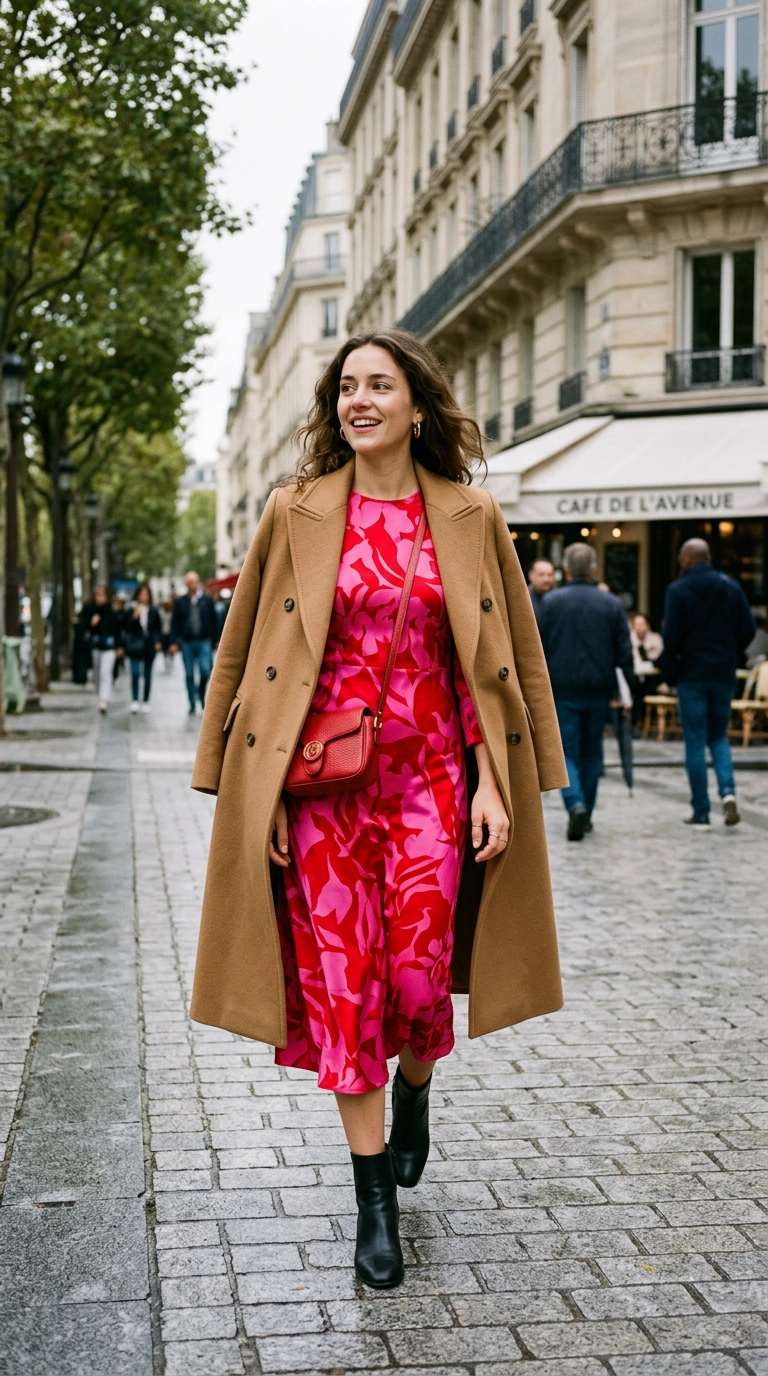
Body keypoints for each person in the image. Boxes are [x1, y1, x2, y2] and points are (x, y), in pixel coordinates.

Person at [188, 328, 567, 1290]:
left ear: (415, 403)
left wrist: (499, 779)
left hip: (434, 782)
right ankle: (373, 1204)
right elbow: (239, 654)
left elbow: (508, 656)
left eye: (379, 385)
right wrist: (247, 789)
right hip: (322, 792)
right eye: (347, 387)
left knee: (417, 978)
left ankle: (418, 1090)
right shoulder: (297, 509)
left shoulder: (472, 516)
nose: (361, 401)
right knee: (346, 989)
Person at [538, 542, 634, 840]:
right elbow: (624, 651)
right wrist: (626, 690)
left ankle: (575, 802)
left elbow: (537, 649)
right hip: (598, 688)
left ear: (565, 569)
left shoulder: (551, 603)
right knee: (593, 753)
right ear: (594, 569)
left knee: (566, 751)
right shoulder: (611, 604)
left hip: (562, 689)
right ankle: (586, 811)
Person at [662, 538, 756, 827]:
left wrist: (674, 665)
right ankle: (728, 793)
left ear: (688, 559)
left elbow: (671, 638)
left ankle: (701, 809)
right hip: (723, 673)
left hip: (692, 673)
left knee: (694, 740)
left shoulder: (677, 590)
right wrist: (730, 651)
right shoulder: (730, 586)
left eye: (681, 557)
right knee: (718, 736)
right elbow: (748, 628)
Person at [169, 571, 218, 714]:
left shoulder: (207, 601)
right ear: (186, 584)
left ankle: (201, 694)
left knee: (205, 671)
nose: (192, 585)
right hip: (187, 642)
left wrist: (216, 639)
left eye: (194, 582)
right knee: (189, 673)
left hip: (204, 641)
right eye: (190, 582)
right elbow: (175, 623)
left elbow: (214, 621)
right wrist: (173, 642)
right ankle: (192, 703)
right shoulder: (180, 602)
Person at [79, 584, 123, 713]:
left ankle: (104, 699)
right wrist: (91, 624)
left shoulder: (111, 611)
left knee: (106, 672)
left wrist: (119, 647)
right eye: (98, 595)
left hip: (109, 647)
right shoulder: (89, 610)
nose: (100, 598)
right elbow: (83, 627)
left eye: (103, 595)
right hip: (96, 646)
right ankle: (101, 696)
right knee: (97, 674)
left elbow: (117, 630)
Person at [125, 584, 163, 713]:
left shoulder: (153, 610)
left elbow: (158, 627)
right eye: (141, 594)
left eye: (146, 594)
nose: (143, 597)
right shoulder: (131, 609)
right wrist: (135, 617)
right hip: (135, 645)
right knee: (135, 673)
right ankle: (135, 700)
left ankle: (146, 700)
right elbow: (127, 627)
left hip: (149, 645)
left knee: (147, 674)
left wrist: (158, 641)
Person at [629, 612, 664, 727]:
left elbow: (658, 660)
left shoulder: (656, 639)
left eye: (642, 624)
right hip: (635, 674)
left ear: (647, 625)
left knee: (644, 688)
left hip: (653, 676)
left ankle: (639, 720)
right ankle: (636, 720)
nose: (639, 627)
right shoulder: (628, 640)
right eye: (637, 624)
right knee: (635, 688)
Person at [528, 558, 555, 624]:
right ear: (531, 576)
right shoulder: (524, 598)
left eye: (550, 575)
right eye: (541, 575)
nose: (546, 579)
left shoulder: (558, 599)